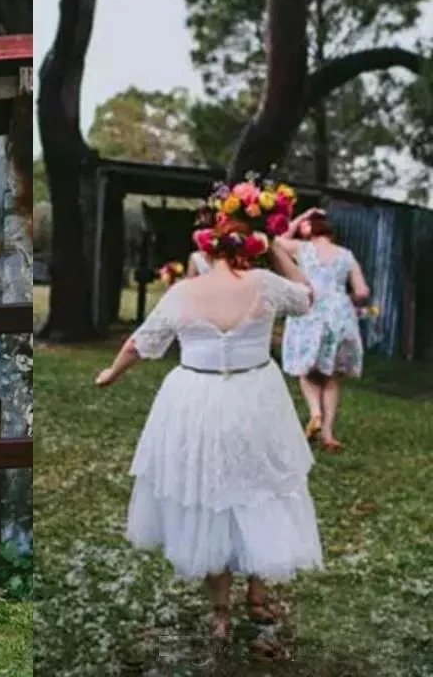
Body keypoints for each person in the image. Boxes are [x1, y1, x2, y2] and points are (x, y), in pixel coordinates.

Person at [95, 221, 322, 648]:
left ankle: (222, 612)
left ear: (206, 249)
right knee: (262, 487)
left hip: (196, 398)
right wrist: (278, 249)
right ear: (250, 249)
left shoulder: (183, 291)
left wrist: (112, 372)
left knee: (209, 495)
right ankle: (256, 591)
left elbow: (141, 342)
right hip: (255, 395)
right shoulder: (265, 282)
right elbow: (308, 296)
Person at [279, 208, 369, 452]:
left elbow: (275, 240)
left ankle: (315, 413)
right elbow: (362, 292)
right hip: (339, 313)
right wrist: (344, 298)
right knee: (332, 376)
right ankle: (328, 434)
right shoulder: (346, 255)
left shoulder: (301, 249)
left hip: (310, 308)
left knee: (306, 369)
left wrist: (299, 218)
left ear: (308, 228)